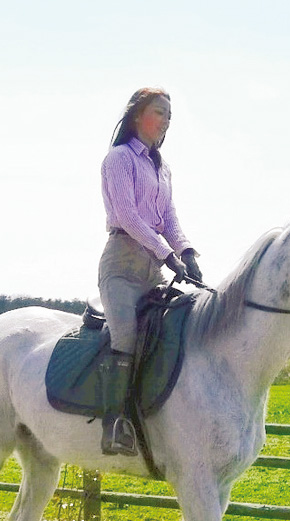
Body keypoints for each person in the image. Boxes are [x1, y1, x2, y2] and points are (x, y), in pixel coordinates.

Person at [98, 87, 203, 456]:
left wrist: (186, 251)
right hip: (122, 265)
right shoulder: (119, 158)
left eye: (170, 115)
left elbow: (168, 218)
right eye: (160, 112)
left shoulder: (163, 167)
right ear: (138, 115)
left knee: (177, 329)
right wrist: (165, 253)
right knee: (125, 336)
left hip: (153, 267)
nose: (166, 120)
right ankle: (115, 424)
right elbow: (128, 216)